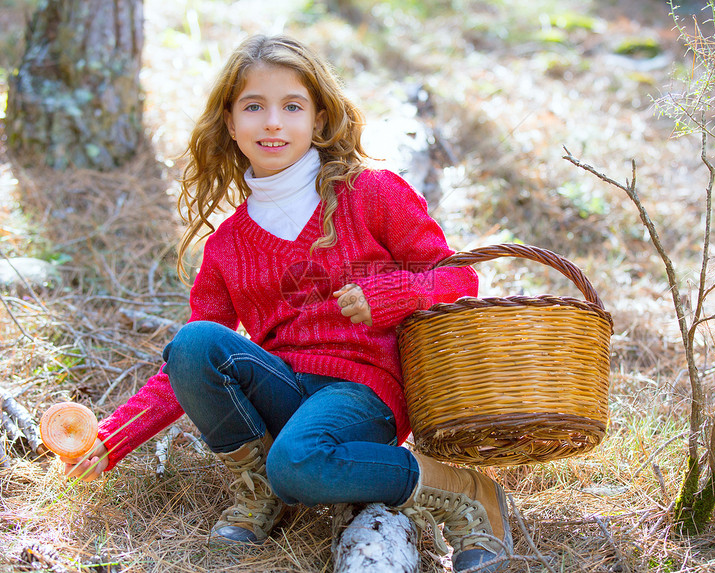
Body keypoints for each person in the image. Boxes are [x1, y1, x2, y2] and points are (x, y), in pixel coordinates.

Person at [62, 34, 508, 572]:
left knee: (297, 462)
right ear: (230, 123)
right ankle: (262, 490)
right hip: (285, 388)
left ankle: (459, 492)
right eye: (254, 107)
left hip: (363, 391)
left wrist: (391, 294)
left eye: (291, 106)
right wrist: (115, 437)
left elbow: (458, 277)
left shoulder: (370, 193)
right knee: (193, 343)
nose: (273, 122)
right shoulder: (228, 243)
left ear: (319, 119)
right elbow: (183, 369)